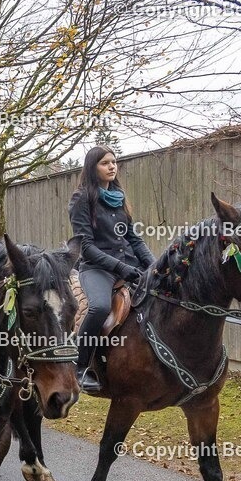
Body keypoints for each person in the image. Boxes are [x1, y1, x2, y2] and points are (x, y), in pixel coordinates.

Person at [69, 146, 155, 394]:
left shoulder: (118, 196)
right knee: (99, 308)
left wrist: (154, 267)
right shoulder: (81, 199)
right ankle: (80, 368)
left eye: (114, 162)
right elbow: (85, 246)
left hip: (129, 265)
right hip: (98, 268)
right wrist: (121, 268)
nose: (111, 167)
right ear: (92, 167)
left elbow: (134, 239)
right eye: (105, 163)